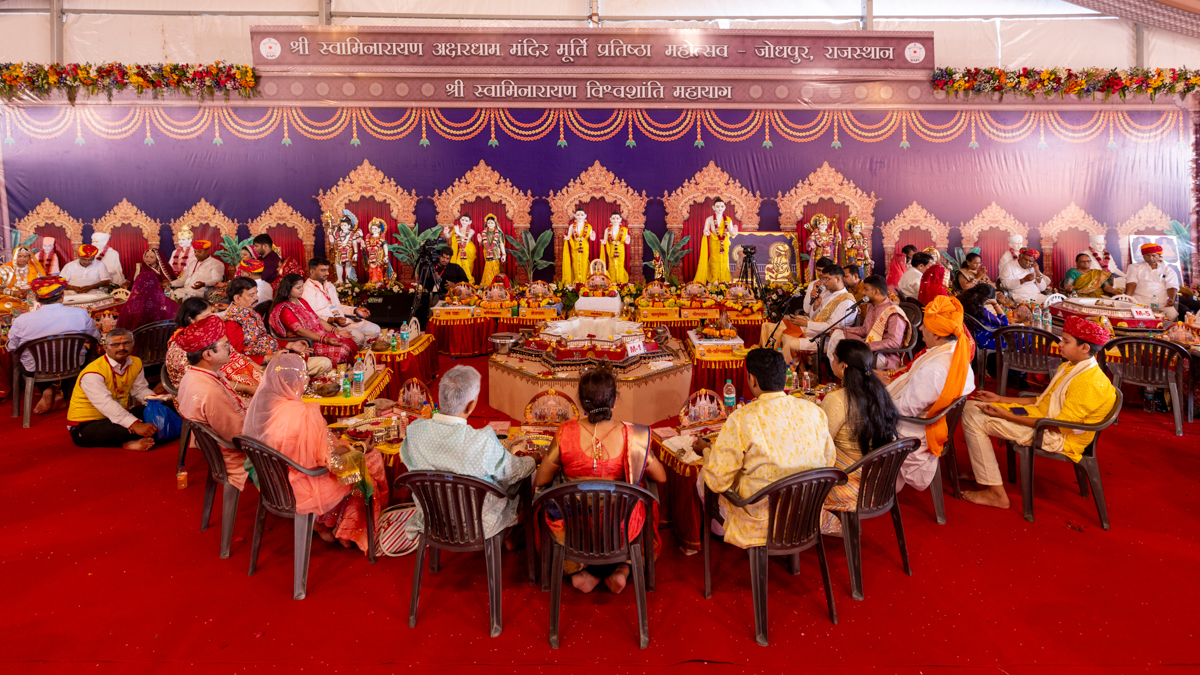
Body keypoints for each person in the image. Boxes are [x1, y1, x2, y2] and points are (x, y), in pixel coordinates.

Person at [959, 316, 1117, 510]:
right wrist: (1000, 400)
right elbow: (1042, 400)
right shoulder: (1070, 366)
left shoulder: (1089, 381)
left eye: (1066, 341)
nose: (1060, 344)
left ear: (1085, 348)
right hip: (1041, 419)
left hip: (1058, 436)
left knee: (973, 419)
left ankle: (996, 494)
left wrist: (1006, 416)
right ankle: (983, 470)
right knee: (970, 407)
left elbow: (1058, 425)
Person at [535, 365, 666, 593]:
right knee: (647, 500)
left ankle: (578, 571)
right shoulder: (632, 435)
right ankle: (622, 569)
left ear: (582, 403)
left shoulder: (565, 432)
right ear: (614, 400)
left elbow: (540, 480)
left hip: (575, 526)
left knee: (546, 505)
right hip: (621, 526)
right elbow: (661, 477)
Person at [244, 353, 388, 551]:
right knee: (369, 462)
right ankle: (347, 531)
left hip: (273, 480)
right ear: (296, 382)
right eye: (303, 377)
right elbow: (333, 463)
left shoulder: (265, 409)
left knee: (347, 448)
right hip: (302, 484)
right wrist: (361, 449)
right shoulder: (304, 414)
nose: (306, 381)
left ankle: (323, 524)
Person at [696, 348, 836, 549]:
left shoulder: (742, 418)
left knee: (705, 476)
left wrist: (707, 451)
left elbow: (718, 480)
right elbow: (829, 461)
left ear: (752, 379)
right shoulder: (814, 411)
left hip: (760, 523)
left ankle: (718, 532)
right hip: (806, 513)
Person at [401, 365, 535, 550]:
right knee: (526, 478)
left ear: (441, 395)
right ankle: (510, 533)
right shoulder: (481, 442)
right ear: (471, 405)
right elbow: (514, 471)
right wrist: (534, 459)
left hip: (434, 519)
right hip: (480, 524)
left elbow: (409, 463)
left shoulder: (415, 431)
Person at [880, 295, 976, 491]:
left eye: (925, 326)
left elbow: (905, 409)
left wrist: (874, 398)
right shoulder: (954, 352)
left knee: (851, 414)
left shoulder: (936, 367)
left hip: (914, 427)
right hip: (928, 419)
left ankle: (868, 483)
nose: (920, 329)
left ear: (938, 336)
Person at [819, 339, 901, 536]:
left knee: (793, 468)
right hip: (880, 478)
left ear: (843, 366)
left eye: (834, 358)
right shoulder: (879, 392)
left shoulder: (838, 400)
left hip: (850, 481)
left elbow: (820, 445)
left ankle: (821, 521)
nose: (831, 361)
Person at [7, 276, 102, 414]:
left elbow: (11, 348)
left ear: (37, 299)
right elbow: (96, 338)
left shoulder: (22, 320)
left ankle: (49, 390)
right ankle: (56, 392)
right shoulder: (81, 314)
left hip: (36, 369)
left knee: (32, 360)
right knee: (79, 354)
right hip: (72, 365)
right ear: (62, 296)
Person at [175, 315, 249, 490]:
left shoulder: (192, 375)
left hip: (219, 450)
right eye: (224, 345)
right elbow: (238, 435)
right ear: (208, 354)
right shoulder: (210, 391)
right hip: (237, 458)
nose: (230, 348)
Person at [67, 328, 161, 451]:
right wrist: (135, 425)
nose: (121, 348)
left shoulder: (136, 362)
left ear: (133, 343)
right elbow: (106, 404)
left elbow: (140, 390)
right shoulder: (93, 372)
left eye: (126, 343)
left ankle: (132, 436)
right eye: (115, 345)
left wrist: (158, 404)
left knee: (162, 409)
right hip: (87, 424)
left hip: (117, 416)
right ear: (105, 347)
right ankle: (127, 442)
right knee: (129, 428)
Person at [224, 277, 330, 376]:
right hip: (262, 368)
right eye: (251, 295)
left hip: (277, 357)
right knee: (323, 363)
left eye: (256, 293)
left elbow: (265, 338)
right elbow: (237, 356)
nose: (257, 297)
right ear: (237, 298)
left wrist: (289, 345)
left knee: (324, 363)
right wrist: (268, 358)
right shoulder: (232, 322)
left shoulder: (253, 314)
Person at [761, 265, 859, 364]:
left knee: (789, 342)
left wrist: (806, 324)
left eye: (827, 279)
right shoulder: (826, 293)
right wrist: (816, 306)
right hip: (815, 331)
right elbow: (814, 318)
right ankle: (773, 363)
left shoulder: (846, 302)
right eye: (823, 279)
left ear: (838, 279)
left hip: (827, 338)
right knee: (779, 331)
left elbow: (832, 327)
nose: (824, 282)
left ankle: (790, 371)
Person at [166, 297, 261, 397]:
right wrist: (247, 388)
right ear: (191, 319)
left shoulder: (209, 333)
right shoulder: (184, 345)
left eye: (211, 314)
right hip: (200, 392)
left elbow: (234, 353)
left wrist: (260, 370)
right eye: (207, 316)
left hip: (222, 379)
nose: (211, 318)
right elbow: (204, 379)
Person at [269, 273, 358, 365]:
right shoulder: (285, 309)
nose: (302, 290)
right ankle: (335, 376)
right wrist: (325, 339)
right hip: (305, 342)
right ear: (288, 289)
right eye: (298, 288)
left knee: (349, 342)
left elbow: (317, 318)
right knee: (342, 350)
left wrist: (336, 331)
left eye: (302, 286)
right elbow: (300, 331)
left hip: (317, 336)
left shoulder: (301, 301)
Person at [826, 275, 911, 370]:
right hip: (867, 350)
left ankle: (846, 378)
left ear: (876, 292)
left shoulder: (893, 312)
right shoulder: (871, 306)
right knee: (838, 335)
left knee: (847, 355)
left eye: (866, 289)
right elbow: (864, 329)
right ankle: (840, 375)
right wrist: (843, 330)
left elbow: (894, 342)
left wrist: (868, 346)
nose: (863, 292)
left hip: (883, 355)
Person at [301, 257, 382, 348]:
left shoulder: (330, 286)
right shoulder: (307, 290)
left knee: (375, 329)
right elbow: (311, 316)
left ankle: (365, 355)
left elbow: (338, 306)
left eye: (327, 270)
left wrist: (355, 310)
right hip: (329, 325)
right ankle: (358, 358)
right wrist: (333, 320)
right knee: (359, 337)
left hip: (341, 321)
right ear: (312, 272)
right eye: (323, 270)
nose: (327, 273)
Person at [117, 253, 179, 330]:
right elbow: (178, 321)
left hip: (137, 341)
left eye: (151, 257)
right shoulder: (169, 304)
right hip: (162, 340)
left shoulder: (129, 307)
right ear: (156, 284)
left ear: (137, 286)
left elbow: (121, 328)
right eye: (146, 256)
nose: (148, 258)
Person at [1125, 243, 1180, 321]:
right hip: (1139, 302)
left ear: (1159, 256)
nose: (1151, 257)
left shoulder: (1168, 270)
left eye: (1153, 255)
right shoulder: (1134, 267)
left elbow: (1171, 286)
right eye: (1147, 255)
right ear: (1143, 256)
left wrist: (1171, 299)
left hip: (1161, 303)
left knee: (1172, 314)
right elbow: (1131, 282)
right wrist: (1127, 297)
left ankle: (1161, 331)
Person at [561, 209, 595, 285]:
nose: (580, 216)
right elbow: (569, 236)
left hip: (584, 247)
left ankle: (584, 280)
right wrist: (567, 238)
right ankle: (576, 280)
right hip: (575, 246)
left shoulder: (589, 226)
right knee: (576, 263)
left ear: (585, 216)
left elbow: (592, 238)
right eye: (578, 215)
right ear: (575, 216)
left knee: (584, 263)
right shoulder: (572, 226)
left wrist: (593, 236)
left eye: (582, 215)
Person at [601, 212, 630, 284]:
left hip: (620, 249)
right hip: (611, 249)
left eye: (617, 218)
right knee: (612, 264)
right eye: (613, 218)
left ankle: (621, 282)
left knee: (620, 265)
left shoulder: (624, 230)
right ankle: (612, 281)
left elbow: (627, 242)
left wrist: (628, 240)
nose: (615, 220)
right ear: (610, 219)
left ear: (620, 220)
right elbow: (605, 240)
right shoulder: (607, 230)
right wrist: (604, 242)